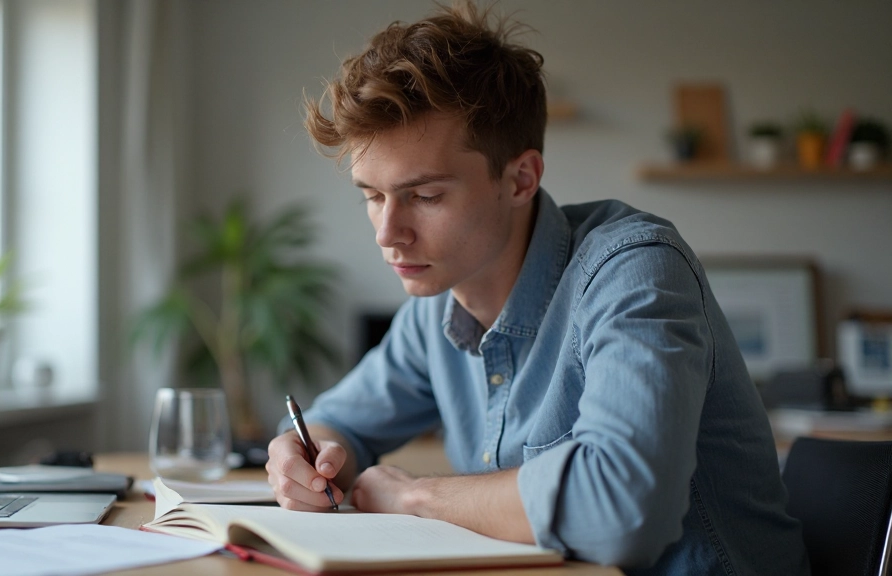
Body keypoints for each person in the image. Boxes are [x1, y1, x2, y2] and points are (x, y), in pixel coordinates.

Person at [266, 3, 809, 574]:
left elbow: (621, 511)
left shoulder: (633, 270)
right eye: (372, 195)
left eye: (425, 197)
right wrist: (302, 459)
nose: (388, 233)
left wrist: (417, 498)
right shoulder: (437, 302)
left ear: (521, 178)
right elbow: (337, 426)